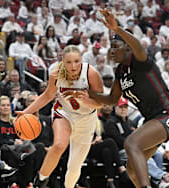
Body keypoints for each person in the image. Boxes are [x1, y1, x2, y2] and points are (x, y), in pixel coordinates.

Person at [87, 9, 169, 188]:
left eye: (116, 47)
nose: (112, 51)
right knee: (132, 168)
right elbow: (111, 99)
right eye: (110, 48)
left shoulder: (140, 61)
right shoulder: (120, 72)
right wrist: (89, 93)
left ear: (127, 48)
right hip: (153, 120)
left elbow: (139, 46)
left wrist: (117, 29)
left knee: (131, 143)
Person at [16, 45, 104, 188]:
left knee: (75, 166)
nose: (73, 66)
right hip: (64, 112)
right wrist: (26, 111)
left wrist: (87, 100)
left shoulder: (91, 74)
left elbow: (101, 103)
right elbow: (47, 96)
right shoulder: (56, 74)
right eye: (69, 62)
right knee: (59, 145)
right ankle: (41, 180)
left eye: (76, 61)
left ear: (81, 61)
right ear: (63, 62)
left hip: (86, 118)